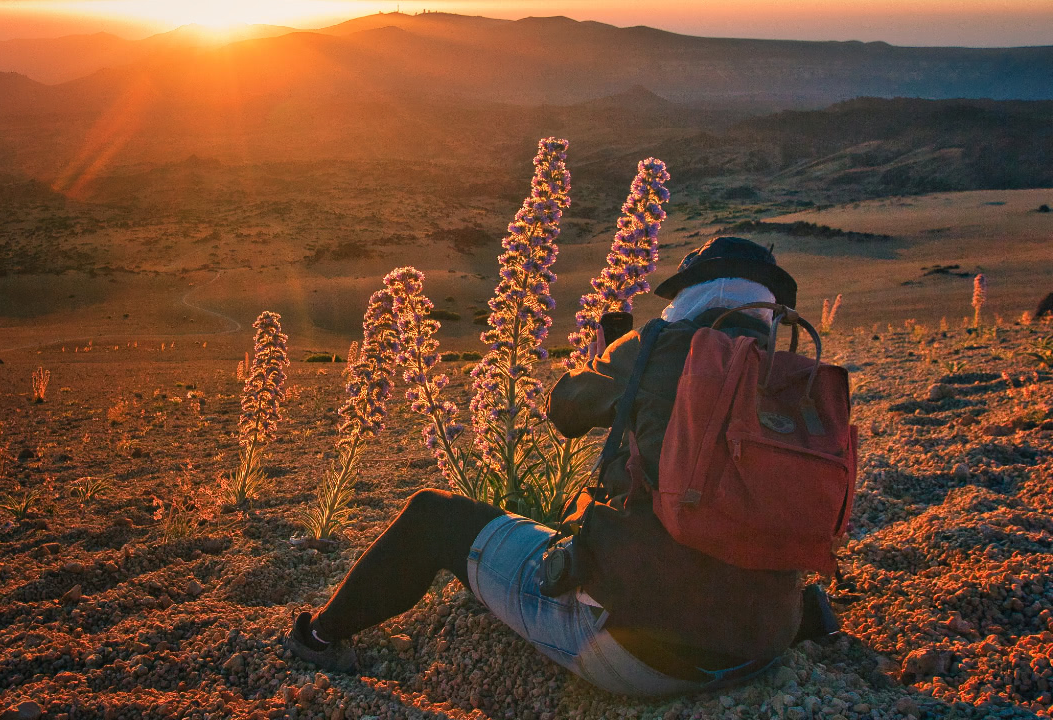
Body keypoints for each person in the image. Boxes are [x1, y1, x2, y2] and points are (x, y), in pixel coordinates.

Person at [286, 237, 811, 696]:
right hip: (762, 642)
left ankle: (317, 638)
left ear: (694, 291)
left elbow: (565, 412)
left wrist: (610, 360)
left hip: (645, 655)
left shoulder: (657, 348)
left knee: (431, 516)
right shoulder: (798, 384)